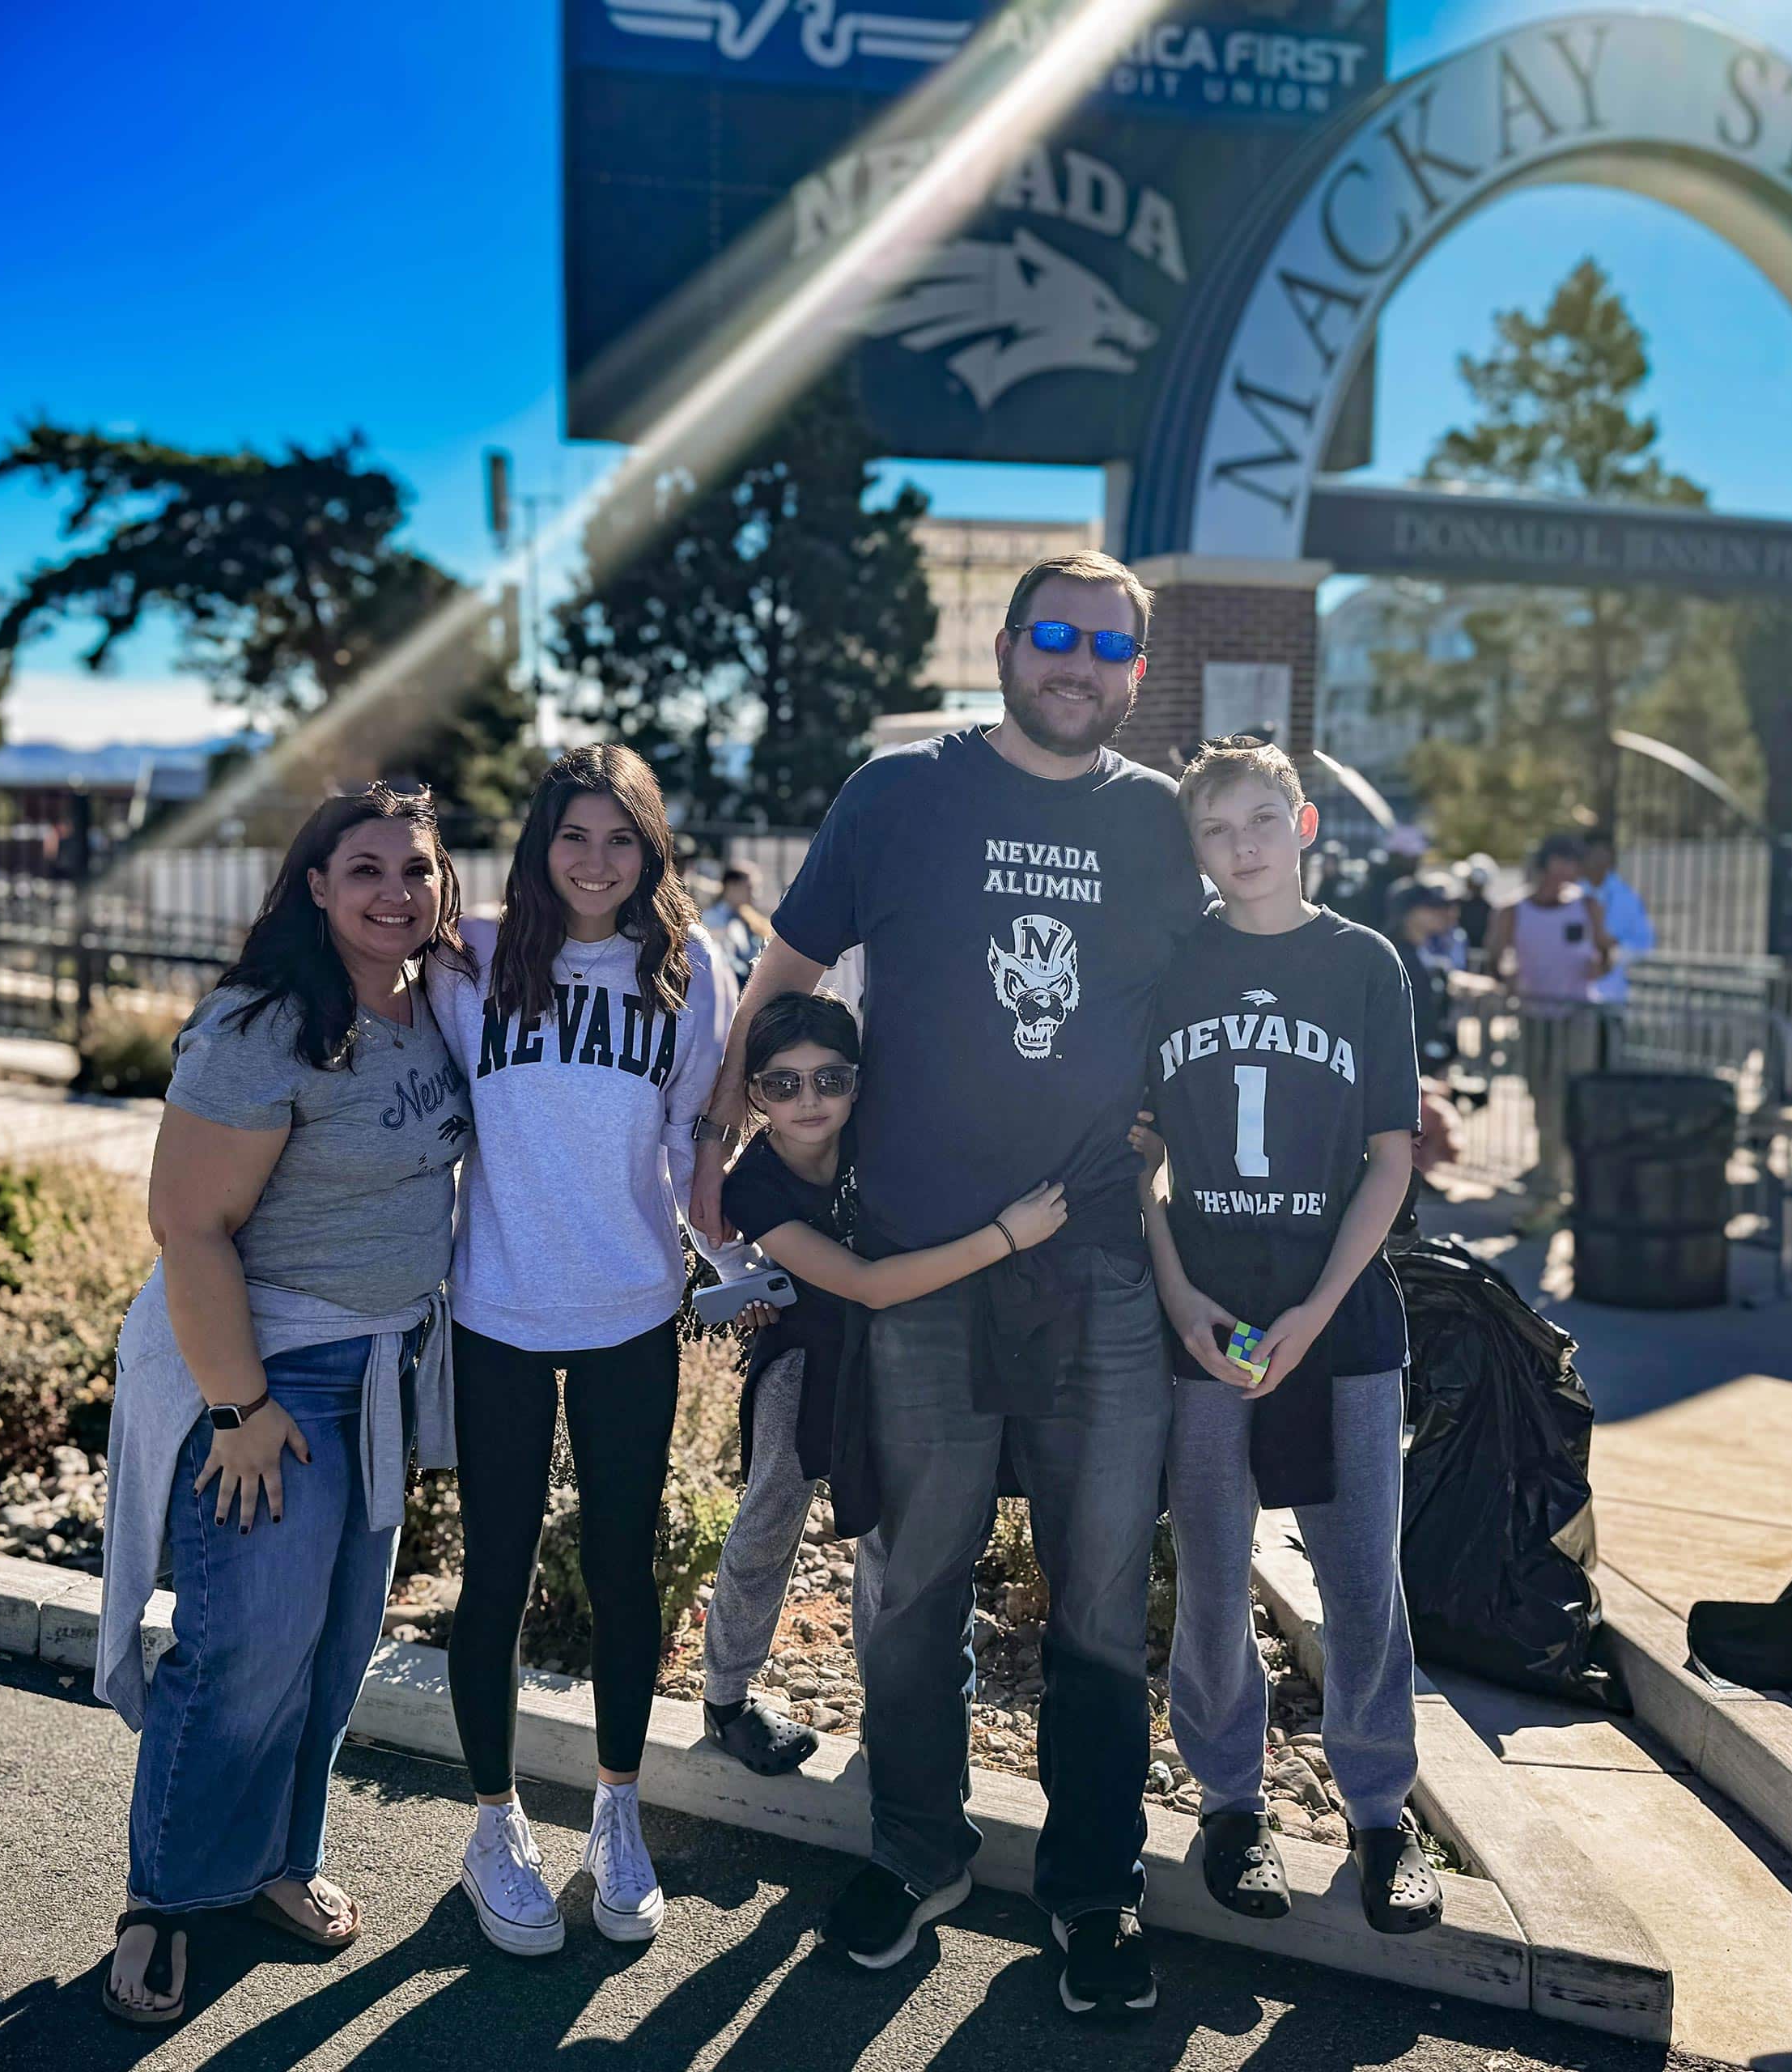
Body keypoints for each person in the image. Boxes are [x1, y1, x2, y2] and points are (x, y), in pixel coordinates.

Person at [690, 550, 1201, 2019]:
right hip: (912, 1265)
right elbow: (785, 968)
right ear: (1001, 643)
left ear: (1130, 672)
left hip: (1095, 1267)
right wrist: (717, 1152)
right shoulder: (896, 795)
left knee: (1100, 1596)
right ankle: (917, 1850)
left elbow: (1209, 1000)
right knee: (909, 1583)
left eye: (1109, 649)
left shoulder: (1157, 825)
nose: (1079, 666)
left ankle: (1092, 1887)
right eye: (1055, 635)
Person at [98, 786, 475, 2027]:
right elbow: (188, 1226)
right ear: (314, 886)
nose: (393, 893)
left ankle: (273, 1860)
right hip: (269, 1373)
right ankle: (166, 1896)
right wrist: (239, 1405)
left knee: (329, 1647)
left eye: (414, 870)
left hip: (378, 1371)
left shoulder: (432, 1008)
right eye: (362, 869)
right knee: (244, 1647)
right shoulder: (262, 1026)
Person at [425, 744, 733, 1956]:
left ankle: (618, 1813)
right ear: (538, 842)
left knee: (622, 1573)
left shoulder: (686, 968)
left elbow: (700, 1120)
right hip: (494, 1306)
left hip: (630, 1309)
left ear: (649, 850)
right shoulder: (474, 952)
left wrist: (720, 1177)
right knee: (492, 1574)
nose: (596, 862)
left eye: (622, 839)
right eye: (573, 836)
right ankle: (493, 1825)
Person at [1135, 737, 1437, 1937]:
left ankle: (1378, 1814)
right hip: (1207, 1321)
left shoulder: (1363, 964)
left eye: (1262, 821)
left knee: (1364, 1579)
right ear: (1195, 849)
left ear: (1303, 826)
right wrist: (1176, 1296)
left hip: (1341, 1322)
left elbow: (1391, 1156)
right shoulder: (1172, 967)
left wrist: (1315, 1311)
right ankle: (1229, 1805)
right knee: (1211, 1577)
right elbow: (1138, 1154)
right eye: (1216, 830)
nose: (1242, 847)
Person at [699, 991, 1067, 1773]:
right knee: (770, 1513)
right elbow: (865, 1283)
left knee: (893, 1533)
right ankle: (727, 1696)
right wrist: (1006, 1238)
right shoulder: (754, 1184)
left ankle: (889, 1710)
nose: (809, 1101)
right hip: (808, 1351)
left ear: (859, 1084)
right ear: (755, 1093)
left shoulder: (884, 1136)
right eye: (783, 1083)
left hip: (898, 1352)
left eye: (829, 1080)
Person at [1486, 834, 1613, 1228]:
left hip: (1577, 1017)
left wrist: (1601, 966)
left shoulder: (1588, 906)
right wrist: (1507, 980)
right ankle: (1549, 1185)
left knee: (1573, 1100)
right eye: (1558, 869)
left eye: (1571, 870)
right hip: (1535, 1016)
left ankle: (1567, 1188)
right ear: (1542, 868)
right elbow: (1494, 959)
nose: (1565, 879)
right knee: (1542, 1099)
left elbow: (1608, 953)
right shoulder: (1512, 910)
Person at [1386, 877, 1464, 1074]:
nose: (1445, 913)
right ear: (1408, 914)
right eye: (1432, 907)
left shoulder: (1421, 951)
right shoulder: (1394, 958)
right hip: (1409, 1068)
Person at [1581, 832, 1654, 1020]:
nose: (1596, 861)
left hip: (1611, 996)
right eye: (1591, 854)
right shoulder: (1570, 893)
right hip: (1572, 996)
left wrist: (1611, 949)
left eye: (1602, 855)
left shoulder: (1626, 897)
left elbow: (1644, 942)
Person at [703, 863, 772, 990]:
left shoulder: (744, 921)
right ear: (732, 886)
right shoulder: (711, 920)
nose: (755, 895)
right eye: (749, 888)